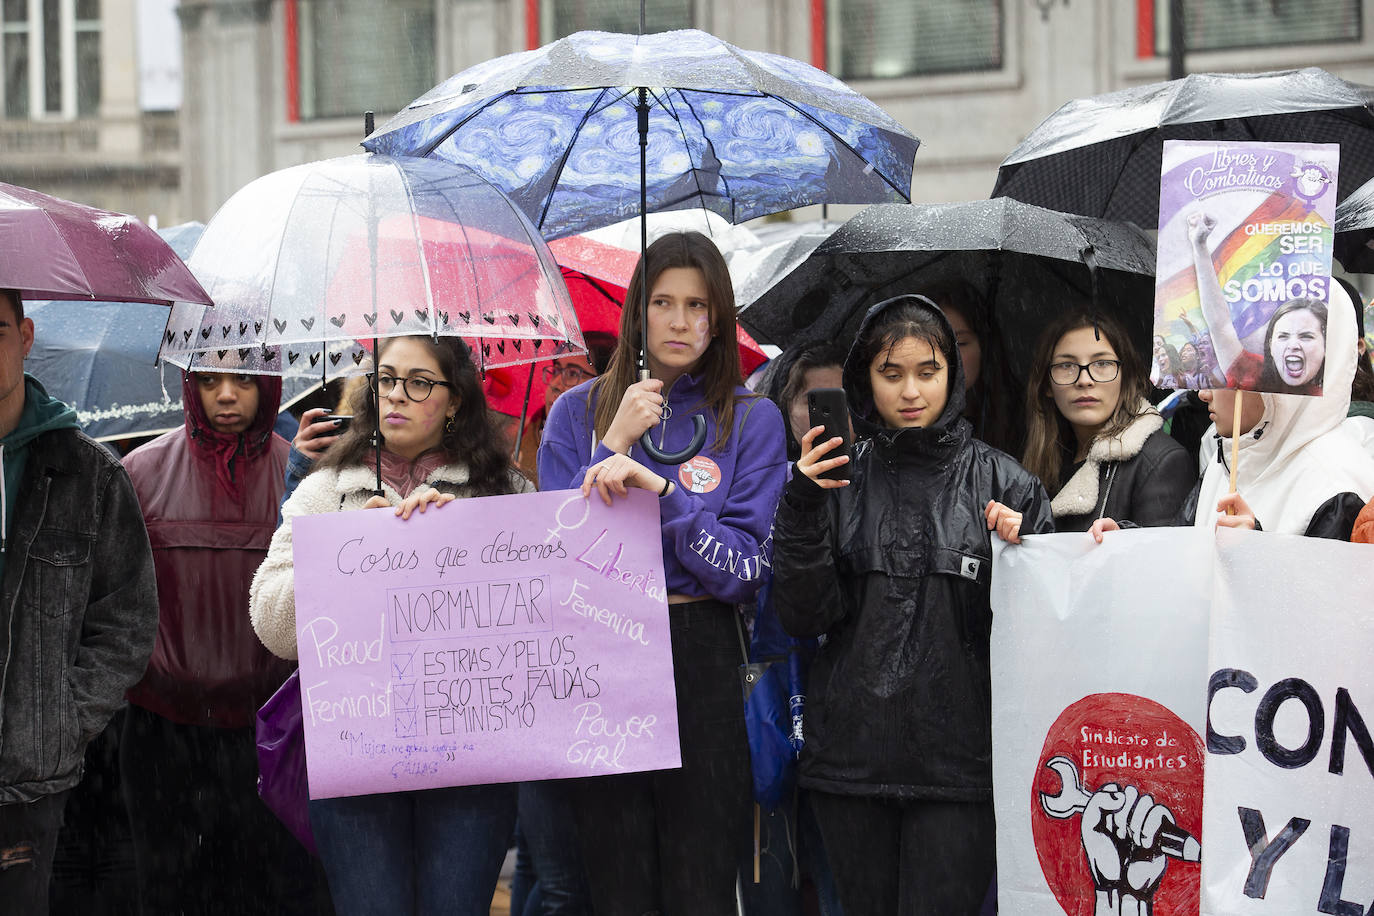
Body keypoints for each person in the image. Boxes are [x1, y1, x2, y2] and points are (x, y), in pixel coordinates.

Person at [770, 294, 1052, 915]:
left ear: (952, 373)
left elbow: (1036, 642)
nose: (910, 391)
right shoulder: (834, 481)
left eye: (927, 371)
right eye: (890, 374)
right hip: (850, 764)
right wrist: (803, 504)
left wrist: (1017, 555)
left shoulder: (1006, 484)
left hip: (962, 769)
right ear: (863, 382)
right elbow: (803, 615)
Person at [537, 231, 787, 916]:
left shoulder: (753, 419)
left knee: (700, 888)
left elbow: (741, 572)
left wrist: (666, 495)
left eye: (700, 306)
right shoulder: (575, 412)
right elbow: (556, 563)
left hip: (706, 659)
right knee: (617, 887)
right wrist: (611, 441)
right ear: (636, 312)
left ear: (721, 317)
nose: (681, 322)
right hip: (605, 656)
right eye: (664, 302)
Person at [250, 335, 529, 916]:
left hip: (470, 767)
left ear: (455, 401)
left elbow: (537, 620)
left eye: (419, 382)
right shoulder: (326, 489)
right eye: (386, 378)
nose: (396, 396)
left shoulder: (502, 491)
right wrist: (349, 557)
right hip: (357, 764)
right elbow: (271, 623)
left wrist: (468, 539)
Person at [119, 370, 327, 914]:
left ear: (269, 385)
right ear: (191, 387)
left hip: (272, 732)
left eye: (244, 380)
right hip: (161, 728)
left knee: (267, 894)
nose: (227, 395)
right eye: (210, 380)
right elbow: (111, 600)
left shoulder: (308, 479)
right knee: (168, 894)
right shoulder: (139, 472)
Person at [0, 288, 158, 915]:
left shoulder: (89, 474)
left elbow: (126, 620)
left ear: (27, 336)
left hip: (32, 779)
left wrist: (62, 717)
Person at [1092, 282, 1374, 540]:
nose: (1203, 392)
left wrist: (1254, 548)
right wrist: (1128, 540)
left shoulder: (1336, 485)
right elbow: (1184, 548)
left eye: (1221, 373)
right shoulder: (1228, 457)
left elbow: (1321, 592)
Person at [1022, 312, 1194, 531]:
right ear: (1046, 384)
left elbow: (1159, 560)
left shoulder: (1161, 461)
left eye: (1102, 363)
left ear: (1125, 375)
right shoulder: (1041, 460)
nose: (1085, 380)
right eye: (1066, 366)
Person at [1188, 212, 1327, 395]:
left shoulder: (1334, 398)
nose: (1293, 345)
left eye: (1306, 336)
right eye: (1283, 336)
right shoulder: (1250, 373)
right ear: (1269, 344)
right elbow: (1219, 324)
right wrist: (1200, 247)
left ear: (1325, 343)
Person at [925, 281, 1024, 455]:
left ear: (985, 348)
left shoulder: (1023, 422)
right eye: (933, 344)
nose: (947, 357)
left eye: (960, 343)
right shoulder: (884, 425)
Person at [515, 331, 617, 484]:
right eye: (556, 370)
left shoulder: (624, 443)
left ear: (604, 383)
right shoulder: (527, 438)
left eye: (572, 373)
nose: (555, 384)